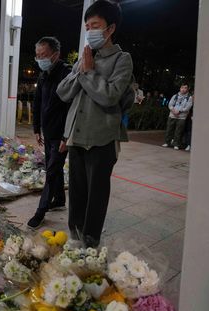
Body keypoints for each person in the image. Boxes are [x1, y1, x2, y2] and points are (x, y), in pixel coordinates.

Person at [56, 0, 134, 247]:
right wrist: (83, 70)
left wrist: (89, 73)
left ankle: (90, 242)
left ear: (110, 29)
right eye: (87, 26)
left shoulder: (122, 59)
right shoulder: (85, 57)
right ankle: (75, 237)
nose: (90, 31)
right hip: (76, 137)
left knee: (95, 197)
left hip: (102, 139)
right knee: (77, 192)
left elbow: (109, 95)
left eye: (95, 25)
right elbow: (63, 92)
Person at [27, 36, 71, 229]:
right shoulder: (43, 74)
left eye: (43, 55)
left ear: (55, 54)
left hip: (61, 135)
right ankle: (60, 199)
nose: (40, 59)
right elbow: (37, 103)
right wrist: (36, 128)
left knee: (51, 172)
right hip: (48, 132)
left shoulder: (66, 74)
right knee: (55, 168)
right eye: (37, 56)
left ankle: (40, 212)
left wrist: (66, 135)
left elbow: (72, 107)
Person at [162, 83, 193, 150]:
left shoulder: (189, 97)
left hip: (181, 117)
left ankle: (176, 144)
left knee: (178, 131)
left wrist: (179, 111)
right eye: (182, 87)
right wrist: (173, 110)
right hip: (172, 115)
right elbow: (170, 104)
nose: (183, 89)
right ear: (180, 88)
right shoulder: (175, 96)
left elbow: (187, 107)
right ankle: (167, 142)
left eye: (185, 88)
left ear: (187, 89)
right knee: (169, 129)